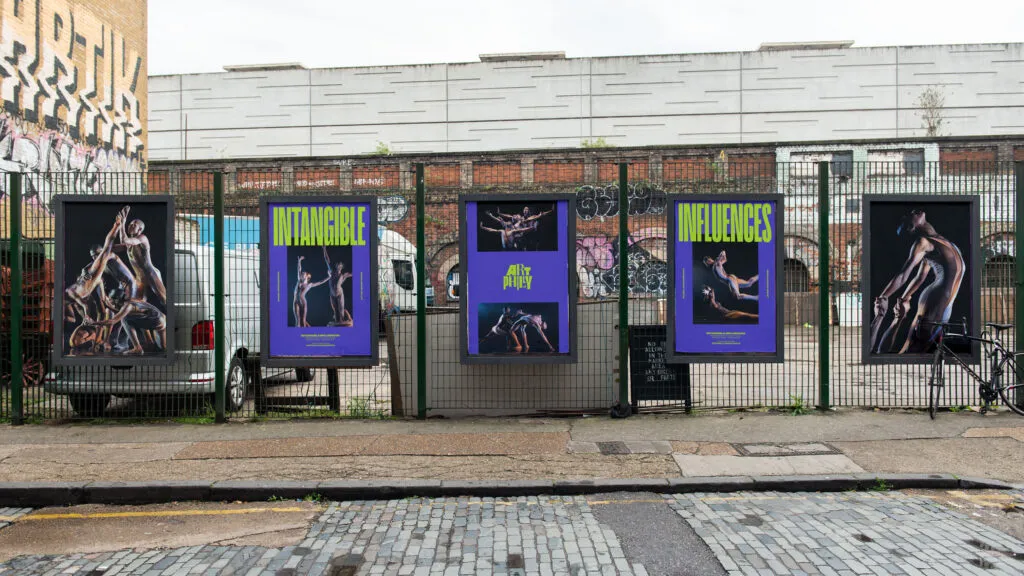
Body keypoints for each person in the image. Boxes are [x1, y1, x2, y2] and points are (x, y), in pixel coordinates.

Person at [871, 209, 965, 354]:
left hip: (947, 303)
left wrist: (905, 297)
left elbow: (920, 277)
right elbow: (903, 275)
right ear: (910, 227)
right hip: (936, 297)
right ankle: (883, 358)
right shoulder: (923, 243)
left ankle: (885, 353)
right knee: (916, 345)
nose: (911, 212)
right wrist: (883, 297)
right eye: (908, 215)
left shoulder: (939, 241)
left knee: (922, 345)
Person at [64, 208, 126, 327]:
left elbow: (111, 248)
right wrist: (86, 319)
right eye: (93, 256)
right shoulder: (72, 300)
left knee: (107, 248)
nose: (94, 258)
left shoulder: (70, 293)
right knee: (105, 305)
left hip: (100, 281)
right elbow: (89, 266)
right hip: (96, 282)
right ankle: (122, 315)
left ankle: (116, 225)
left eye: (96, 255)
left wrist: (120, 227)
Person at [86, 280, 167, 355]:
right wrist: (108, 306)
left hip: (156, 322)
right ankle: (150, 343)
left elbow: (112, 321)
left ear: (117, 300)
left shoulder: (127, 306)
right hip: (161, 322)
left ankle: (137, 348)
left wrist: (93, 323)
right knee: (163, 347)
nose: (111, 302)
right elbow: (121, 312)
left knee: (125, 319)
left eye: (111, 301)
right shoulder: (129, 301)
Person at [114, 207, 167, 310]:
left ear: (140, 229)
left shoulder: (142, 238)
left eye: (134, 225)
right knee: (138, 305)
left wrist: (122, 223)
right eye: (130, 224)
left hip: (151, 274)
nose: (130, 225)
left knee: (164, 300)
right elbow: (118, 244)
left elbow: (124, 240)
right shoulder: (129, 244)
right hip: (140, 278)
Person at [292, 255, 329, 327]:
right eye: (301, 274)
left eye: (303, 274)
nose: (301, 274)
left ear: (307, 277)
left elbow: (321, 282)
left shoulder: (309, 285)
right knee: (298, 321)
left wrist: (329, 277)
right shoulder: (299, 280)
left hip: (303, 302)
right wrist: (299, 261)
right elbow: (299, 269)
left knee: (303, 320)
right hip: (296, 301)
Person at [323, 247, 354, 327]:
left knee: (341, 310)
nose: (339, 265)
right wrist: (324, 249)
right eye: (338, 264)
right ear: (336, 266)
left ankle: (346, 320)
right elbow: (327, 260)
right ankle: (338, 325)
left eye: (340, 265)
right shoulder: (332, 272)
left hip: (339, 293)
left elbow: (353, 273)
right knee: (336, 311)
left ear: (342, 267)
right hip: (332, 294)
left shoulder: (344, 275)